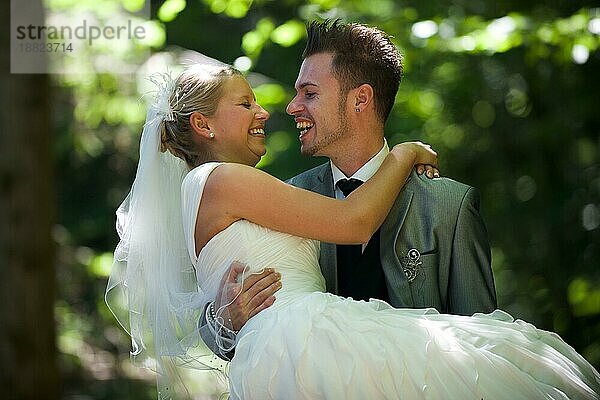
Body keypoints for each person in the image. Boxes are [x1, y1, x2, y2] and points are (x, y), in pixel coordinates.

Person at [106, 62, 600, 399]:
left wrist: (226, 318)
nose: (266, 112)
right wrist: (405, 152)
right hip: (303, 345)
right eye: (244, 104)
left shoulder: (220, 189)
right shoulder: (224, 180)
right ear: (204, 125)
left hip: (285, 351)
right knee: (509, 369)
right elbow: (353, 221)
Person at [201, 19, 497, 361]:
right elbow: (231, 320)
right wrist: (222, 320)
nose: (292, 107)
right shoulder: (286, 197)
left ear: (361, 99)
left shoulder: (449, 205)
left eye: (309, 94)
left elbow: (485, 342)